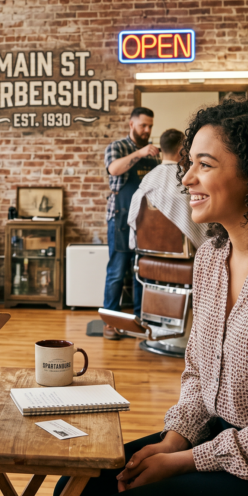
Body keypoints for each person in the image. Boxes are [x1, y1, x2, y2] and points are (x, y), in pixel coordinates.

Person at [57, 99, 248, 496]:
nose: (185, 179)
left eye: (205, 165)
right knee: (80, 484)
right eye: (189, 164)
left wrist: (188, 460)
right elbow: (200, 375)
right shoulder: (212, 257)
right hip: (231, 440)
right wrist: (174, 440)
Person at [103, 107, 159, 337]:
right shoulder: (117, 147)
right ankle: (110, 321)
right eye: (143, 125)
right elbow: (114, 169)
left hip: (146, 219)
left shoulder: (153, 152)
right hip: (120, 217)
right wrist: (140, 153)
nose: (147, 130)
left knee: (142, 271)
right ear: (131, 124)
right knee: (117, 271)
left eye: (150, 126)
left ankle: (140, 319)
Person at [127, 129, 207, 251]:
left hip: (149, 249)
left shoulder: (148, 179)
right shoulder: (187, 178)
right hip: (185, 250)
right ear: (182, 150)